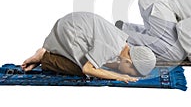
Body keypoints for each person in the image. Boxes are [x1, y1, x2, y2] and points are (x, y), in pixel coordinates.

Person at [21, 12, 156, 83]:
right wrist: (118, 77)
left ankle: (47, 52)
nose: (125, 73)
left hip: (69, 26)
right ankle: (44, 57)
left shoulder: (122, 41)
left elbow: (109, 58)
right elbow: (87, 69)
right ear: (129, 62)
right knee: (84, 71)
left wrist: (113, 71)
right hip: (67, 32)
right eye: (130, 72)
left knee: (98, 65)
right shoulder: (111, 47)